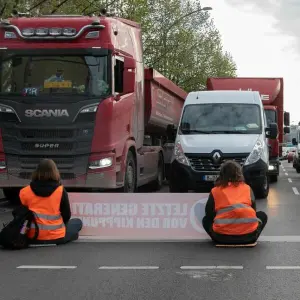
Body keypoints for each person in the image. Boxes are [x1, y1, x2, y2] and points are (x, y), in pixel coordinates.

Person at [202, 160, 268, 245]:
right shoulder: (247, 188)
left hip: (221, 237)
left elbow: (209, 213)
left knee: (205, 220)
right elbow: (254, 211)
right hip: (249, 237)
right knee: (262, 215)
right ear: (239, 174)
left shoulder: (215, 191)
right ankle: (249, 235)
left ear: (221, 175)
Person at [19, 159, 83, 245]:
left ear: (36, 172)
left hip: (32, 236)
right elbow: (66, 215)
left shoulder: (24, 191)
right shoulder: (60, 190)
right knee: (77, 222)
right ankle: (71, 235)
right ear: (55, 172)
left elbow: (21, 216)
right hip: (56, 237)